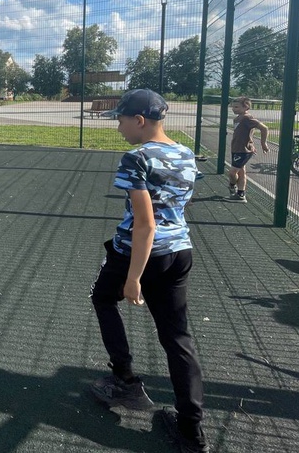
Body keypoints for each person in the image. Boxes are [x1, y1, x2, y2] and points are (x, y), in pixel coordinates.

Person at [88, 89, 209, 453]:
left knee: (103, 298)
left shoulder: (136, 158)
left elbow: (145, 224)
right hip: (179, 252)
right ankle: (191, 430)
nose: (119, 128)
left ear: (139, 121)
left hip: (137, 254)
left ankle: (125, 380)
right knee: (177, 337)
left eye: (122, 120)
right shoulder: (185, 153)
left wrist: (133, 277)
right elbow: (178, 204)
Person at [228, 96, 269, 203]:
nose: (234, 109)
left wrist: (263, 143)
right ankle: (241, 194)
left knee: (232, 173)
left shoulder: (247, 118)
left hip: (244, 150)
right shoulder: (237, 119)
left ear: (246, 107)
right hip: (236, 148)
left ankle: (232, 185)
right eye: (233, 107)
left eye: (237, 107)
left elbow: (264, 128)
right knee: (241, 172)